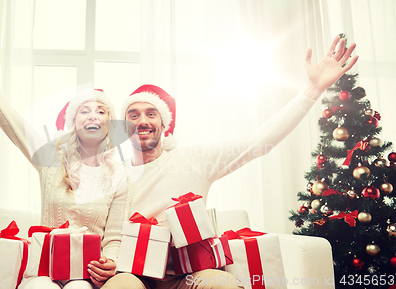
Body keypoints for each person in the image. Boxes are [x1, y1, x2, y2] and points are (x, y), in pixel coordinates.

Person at [102, 36, 359, 289]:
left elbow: (256, 143)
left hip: (189, 275)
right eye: (133, 115)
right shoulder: (115, 173)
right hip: (134, 275)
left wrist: (312, 90)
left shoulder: (193, 160)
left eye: (151, 114)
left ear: (164, 123)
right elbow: (109, 235)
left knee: (220, 284)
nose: (142, 121)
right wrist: (109, 262)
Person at [0, 14, 128, 288]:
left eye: (101, 111)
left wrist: (109, 260)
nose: (93, 116)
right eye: (84, 110)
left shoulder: (119, 176)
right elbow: (5, 115)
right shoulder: (51, 156)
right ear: (73, 122)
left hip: (85, 275)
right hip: (43, 272)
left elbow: (113, 237)